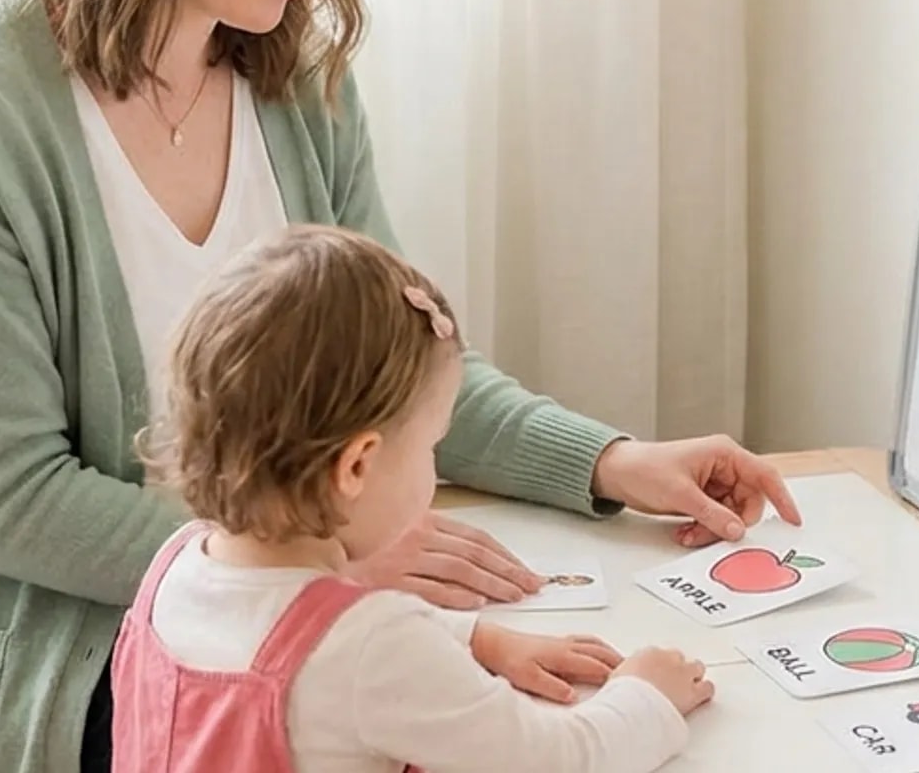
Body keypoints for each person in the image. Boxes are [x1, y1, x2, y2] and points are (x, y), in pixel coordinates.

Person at [0, 0, 798, 770]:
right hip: (66, 659)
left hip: (286, 607)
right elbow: (12, 506)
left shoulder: (299, 85)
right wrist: (314, 574)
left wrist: (613, 461)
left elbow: (390, 371)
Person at [113, 222, 712, 772]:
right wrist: (647, 693)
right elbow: (556, 759)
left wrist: (481, 639)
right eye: (433, 445)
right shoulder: (373, 645)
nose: (433, 467)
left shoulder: (177, 566)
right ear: (356, 465)